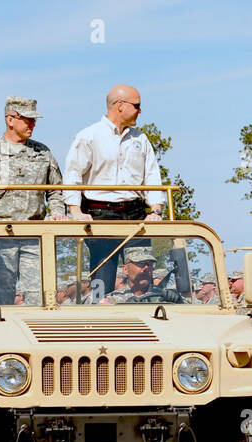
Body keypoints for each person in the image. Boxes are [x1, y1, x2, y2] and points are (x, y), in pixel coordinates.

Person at [63, 84, 164, 297]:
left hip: (136, 215)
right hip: (101, 215)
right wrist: (75, 212)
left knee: (143, 278)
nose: (140, 110)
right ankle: (99, 323)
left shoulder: (141, 139)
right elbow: (72, 175)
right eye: (137, 105)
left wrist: (155, 210)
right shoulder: (88, 136)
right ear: (120, 106)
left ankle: (146, 319)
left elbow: (152, 176)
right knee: (102, 282)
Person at [0, 97, 66, 305]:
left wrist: (56, 212)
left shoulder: (43, 152)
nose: (32, 124)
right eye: (27, 119)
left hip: (34, 235)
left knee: (41, 297)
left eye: (34, 120)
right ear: (10, 120)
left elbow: (55, 190)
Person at [104, 247, 184, 303]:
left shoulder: (163, 295)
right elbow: (99, 315)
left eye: (149, 264)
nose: (146, 268)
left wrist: (179, 301)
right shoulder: (112, 299)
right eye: (141, 263)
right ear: (125, 269)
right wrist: (124, 307)